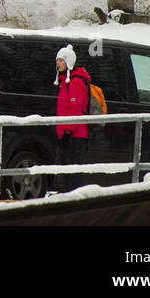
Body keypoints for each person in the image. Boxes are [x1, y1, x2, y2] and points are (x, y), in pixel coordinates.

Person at [55, 44, 92, 192]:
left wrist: (68, 131)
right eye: (57, 60)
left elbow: (74, 108)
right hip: (69, 132)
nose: (58, 63)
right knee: (69, 170)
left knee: (73, 171)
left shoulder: (75, 82)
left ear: (69, 62)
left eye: (61, 60)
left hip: (75, 134)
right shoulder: (66, 81)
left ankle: (75, 197)